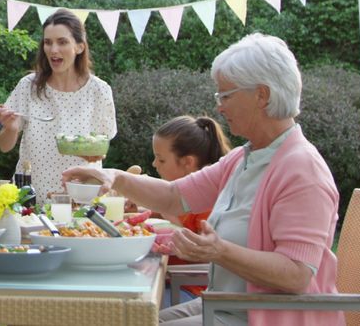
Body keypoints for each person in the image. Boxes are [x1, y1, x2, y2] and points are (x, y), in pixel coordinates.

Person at [63, 33, 341, 326]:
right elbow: (173, 196)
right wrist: (114, 176)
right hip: (226, 306)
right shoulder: (245, 157)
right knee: (126, 320)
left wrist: (219, 251)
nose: (220, 106)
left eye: (226, 95)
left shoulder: (302, 170)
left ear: (262, 95)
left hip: (265, 317)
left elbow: (296, 274)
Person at [0, 9, 117, 200]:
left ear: (79, 47)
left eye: (62, 42)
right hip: (30, 196)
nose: (53, 50)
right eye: (48, 42)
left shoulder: (99, 90)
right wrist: (10, 128)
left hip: (80, 196)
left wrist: (94, 154)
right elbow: (4, 146)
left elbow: (102, 148)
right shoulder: (28, 86)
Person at [148, 115, 231, 301]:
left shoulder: (209, 202)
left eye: (161, 160)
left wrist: (166, 210)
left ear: (187, 163)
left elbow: (203, 255)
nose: (154, 164)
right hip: (166, 279)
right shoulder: (184, 195)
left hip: (188, 289)